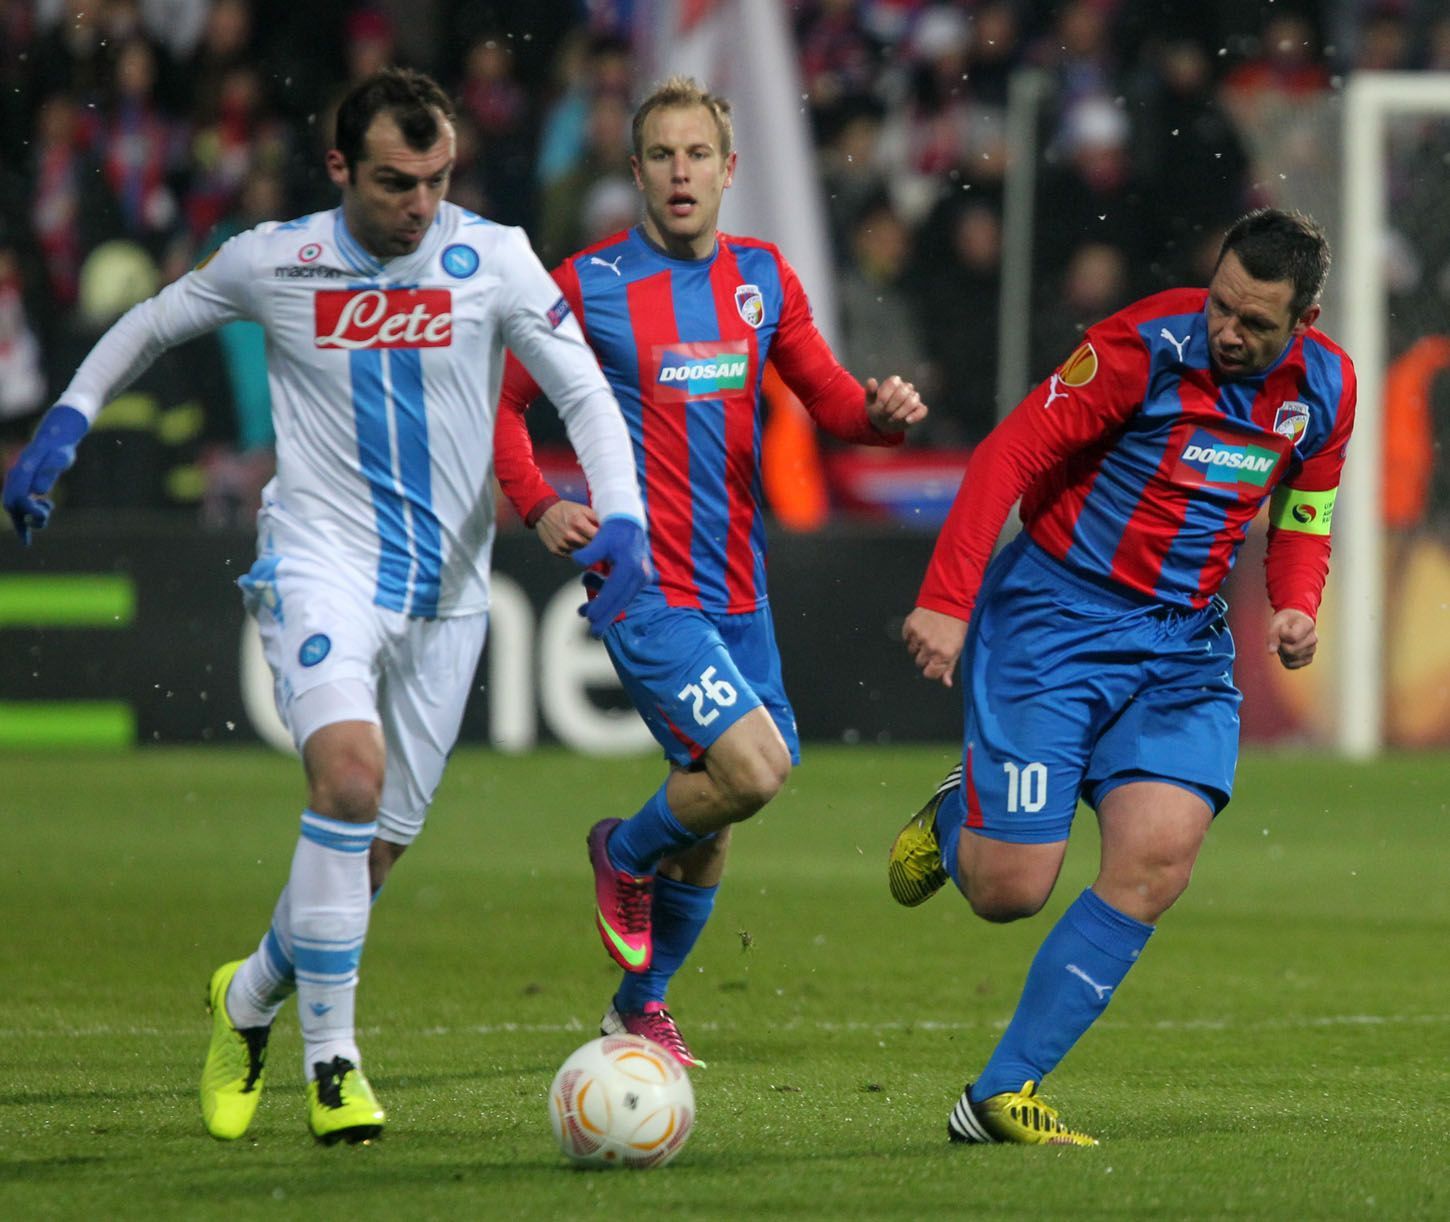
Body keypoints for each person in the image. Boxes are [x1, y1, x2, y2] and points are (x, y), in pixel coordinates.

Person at [2, 67, 649, 1145]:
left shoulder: (493, 256)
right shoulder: (276, 258)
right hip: (320, 564)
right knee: (347, 780)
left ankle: (246, 997)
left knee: (372, 854)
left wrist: (619, 517)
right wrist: (64, 421)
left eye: (437, 179)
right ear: (342, 165)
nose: (421, 205)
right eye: (398, 182)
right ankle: (333, 1061)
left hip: (447, 596)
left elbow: (580, 387)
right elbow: (151, 323)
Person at [889, 208, 1354, 1146]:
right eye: (1222, 304)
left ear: (1304, 323)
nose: (1228, 330)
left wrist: (1297, 600)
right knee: (1008, 891)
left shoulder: (1328, 389)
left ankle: (998, 1095)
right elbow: (1008, 453)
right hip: (1055, 621)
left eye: (1256, 323)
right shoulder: (1142, 347)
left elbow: (1305, 509)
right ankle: (957, 816)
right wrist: (948, 595)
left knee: (1159, 858)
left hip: (1182, 646)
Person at [493, 75, 927, 1067]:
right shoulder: (585, 285)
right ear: (635, 170)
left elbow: (831, 401)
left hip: (742, 588)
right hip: (646, 585)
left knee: (720, 806)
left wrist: (882, 414)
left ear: (730, 171)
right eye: (661, 155)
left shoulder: (762, 278)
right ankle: (621, 849)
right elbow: (504, 407)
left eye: (698, 155)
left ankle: (637, 1006)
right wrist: (544, 503)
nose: (680, 172)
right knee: (754, 770)